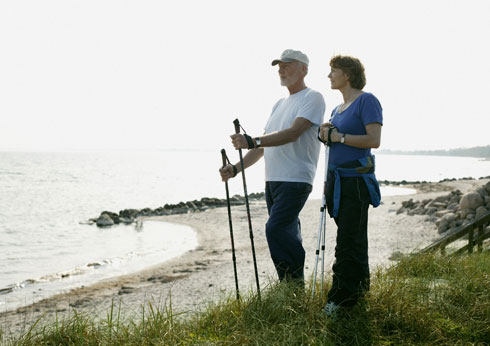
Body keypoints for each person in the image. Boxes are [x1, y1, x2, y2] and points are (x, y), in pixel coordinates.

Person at [220, 49, 325, 284]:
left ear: (303, 70)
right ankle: (292, 288)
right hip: (273, 181)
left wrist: (253, 140)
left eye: (287, 65)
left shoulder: (313, 97)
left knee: (275, 229)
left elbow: (293, 133)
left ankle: (292, 286)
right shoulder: (279, 104)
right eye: (279, 65)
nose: (281, 69)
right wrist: (235, 169)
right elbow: (261, 148)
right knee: (287, 232)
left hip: (296, 179)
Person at [318, 55, 383, 316]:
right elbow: (335, 137)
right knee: (355, 240)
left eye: (333, 71)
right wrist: (326, 132)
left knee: (346, 241)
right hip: (337, 182)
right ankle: (359, 293)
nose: (329, 75)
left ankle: (340, 298)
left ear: (348, 74)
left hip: (355, 182)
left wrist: (339, 136)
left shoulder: (367, 101)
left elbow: (373, 140)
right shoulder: (337, 109)